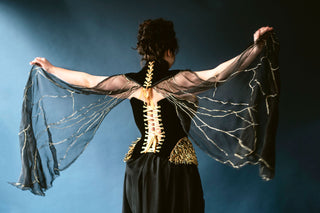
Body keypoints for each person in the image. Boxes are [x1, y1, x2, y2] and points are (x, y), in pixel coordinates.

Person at [11, 18, 279, 213]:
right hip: (173, 167)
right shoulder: (180, 81)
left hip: (138, 168)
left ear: (144, 51)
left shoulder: (129, 84)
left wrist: (51, 67)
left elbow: (87, 80)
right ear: (169, 50)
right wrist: (255, 48)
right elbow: (220, 73)